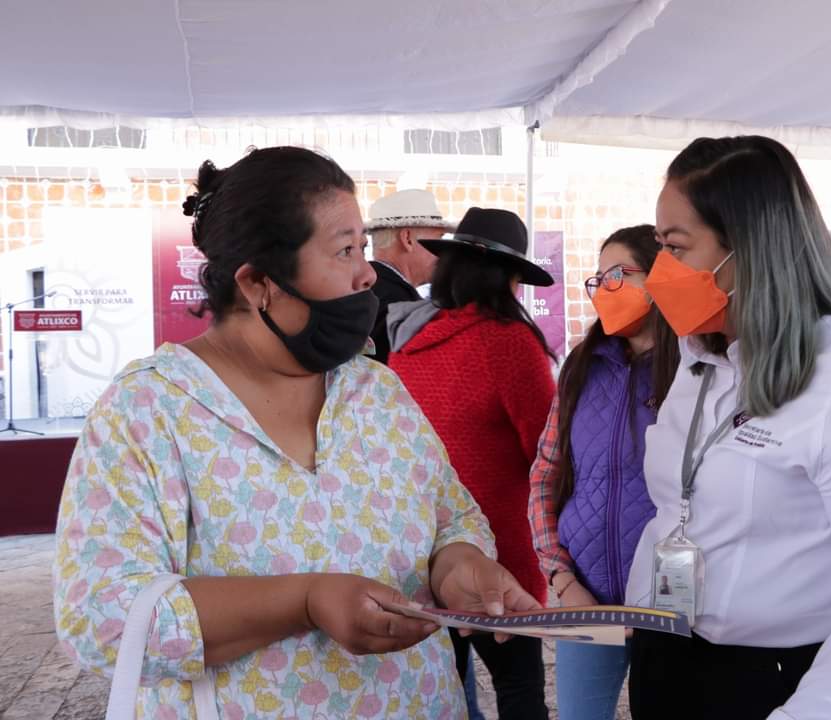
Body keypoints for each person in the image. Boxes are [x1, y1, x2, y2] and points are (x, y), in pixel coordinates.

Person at [52, 147, 537, 720]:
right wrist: (304, 601)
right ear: (259, 282)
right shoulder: (149, 410)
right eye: (344, 250)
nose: (366, 272)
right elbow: (103, 619)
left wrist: (461, 566)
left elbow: (452, 519)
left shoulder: (376, 392)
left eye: (363, 247)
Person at [625, 136, 831, 720]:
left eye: (677, 247)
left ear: (749, 249)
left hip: (791, 683)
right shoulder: (701, 351)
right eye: (660, 247)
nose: (659, 274)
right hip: (672, 658)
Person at [388, 207, 556, 720]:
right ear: (508, 278)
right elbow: (547, 450)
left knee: (444, 683)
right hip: (497, 551)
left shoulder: (409, 340)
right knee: (519, 687)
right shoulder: (508, 341)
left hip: (417, 542)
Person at [527, 224, 679, 720]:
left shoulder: (697, 368)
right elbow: (545, 476)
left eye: (618, 273)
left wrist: (674, 596)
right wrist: (562, 578)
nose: (604, 287)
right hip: (585, 599)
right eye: (598, 277)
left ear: (659, 277)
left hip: (670, 605)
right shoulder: (581, 366)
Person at [366, 189, 454, 364]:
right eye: (438, 240)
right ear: (407, 239)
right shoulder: (400, 306)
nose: (442, 254)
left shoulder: (365, 287)